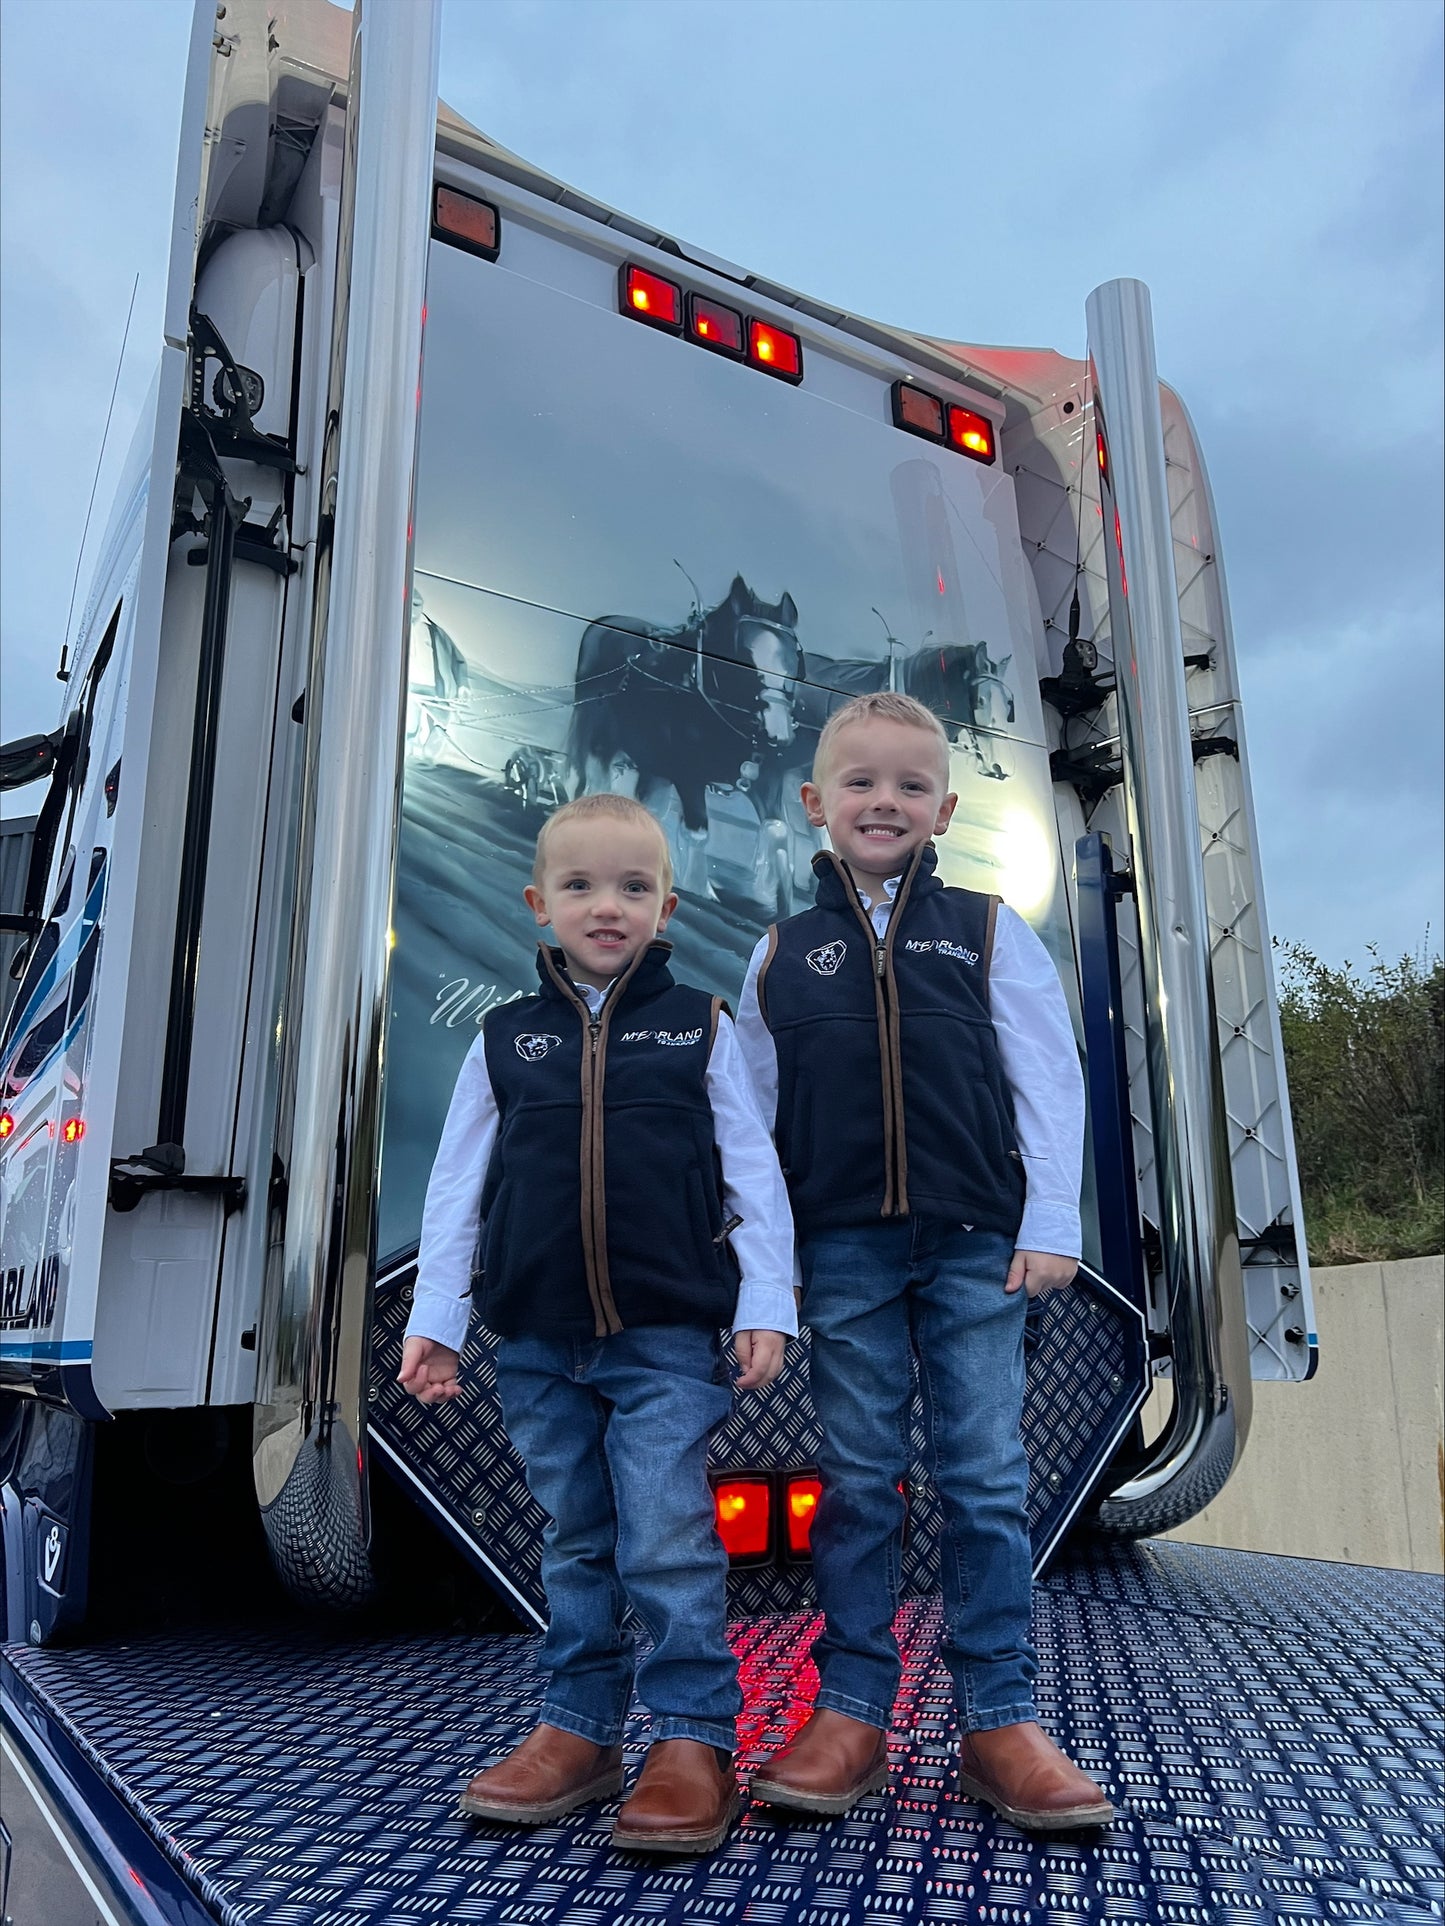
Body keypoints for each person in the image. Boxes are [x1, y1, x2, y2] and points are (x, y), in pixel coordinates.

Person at [736, 691, 1114, 1834]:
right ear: (815, 802)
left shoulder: (988, 930)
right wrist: (765, 1268)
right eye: (859, 782)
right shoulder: (778, 955)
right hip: (840, 1249)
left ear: (943, 809)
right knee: (857, 1482)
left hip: (974, 1247)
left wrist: (1050, 1221)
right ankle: (850, 1714)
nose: (883, 802)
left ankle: (998, 1720)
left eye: (909, 785)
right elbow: (750, 1127)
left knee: (984, 1477)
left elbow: (1047, 1078)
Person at [399, 793, 796, 1855]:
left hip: (665, 1335)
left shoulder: (697, 1026)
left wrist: (765, 1299)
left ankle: (692, 1738)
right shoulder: (504, 1040)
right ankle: (578, 1730)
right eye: (580, 886)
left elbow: (751, 1170)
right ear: (540, 905)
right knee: (576, 1537)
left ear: (666, 909)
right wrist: (438, 1321)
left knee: (664, 1533)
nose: (606, 906)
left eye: (632, 887)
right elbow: (457, 1188)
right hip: (535, 1340)